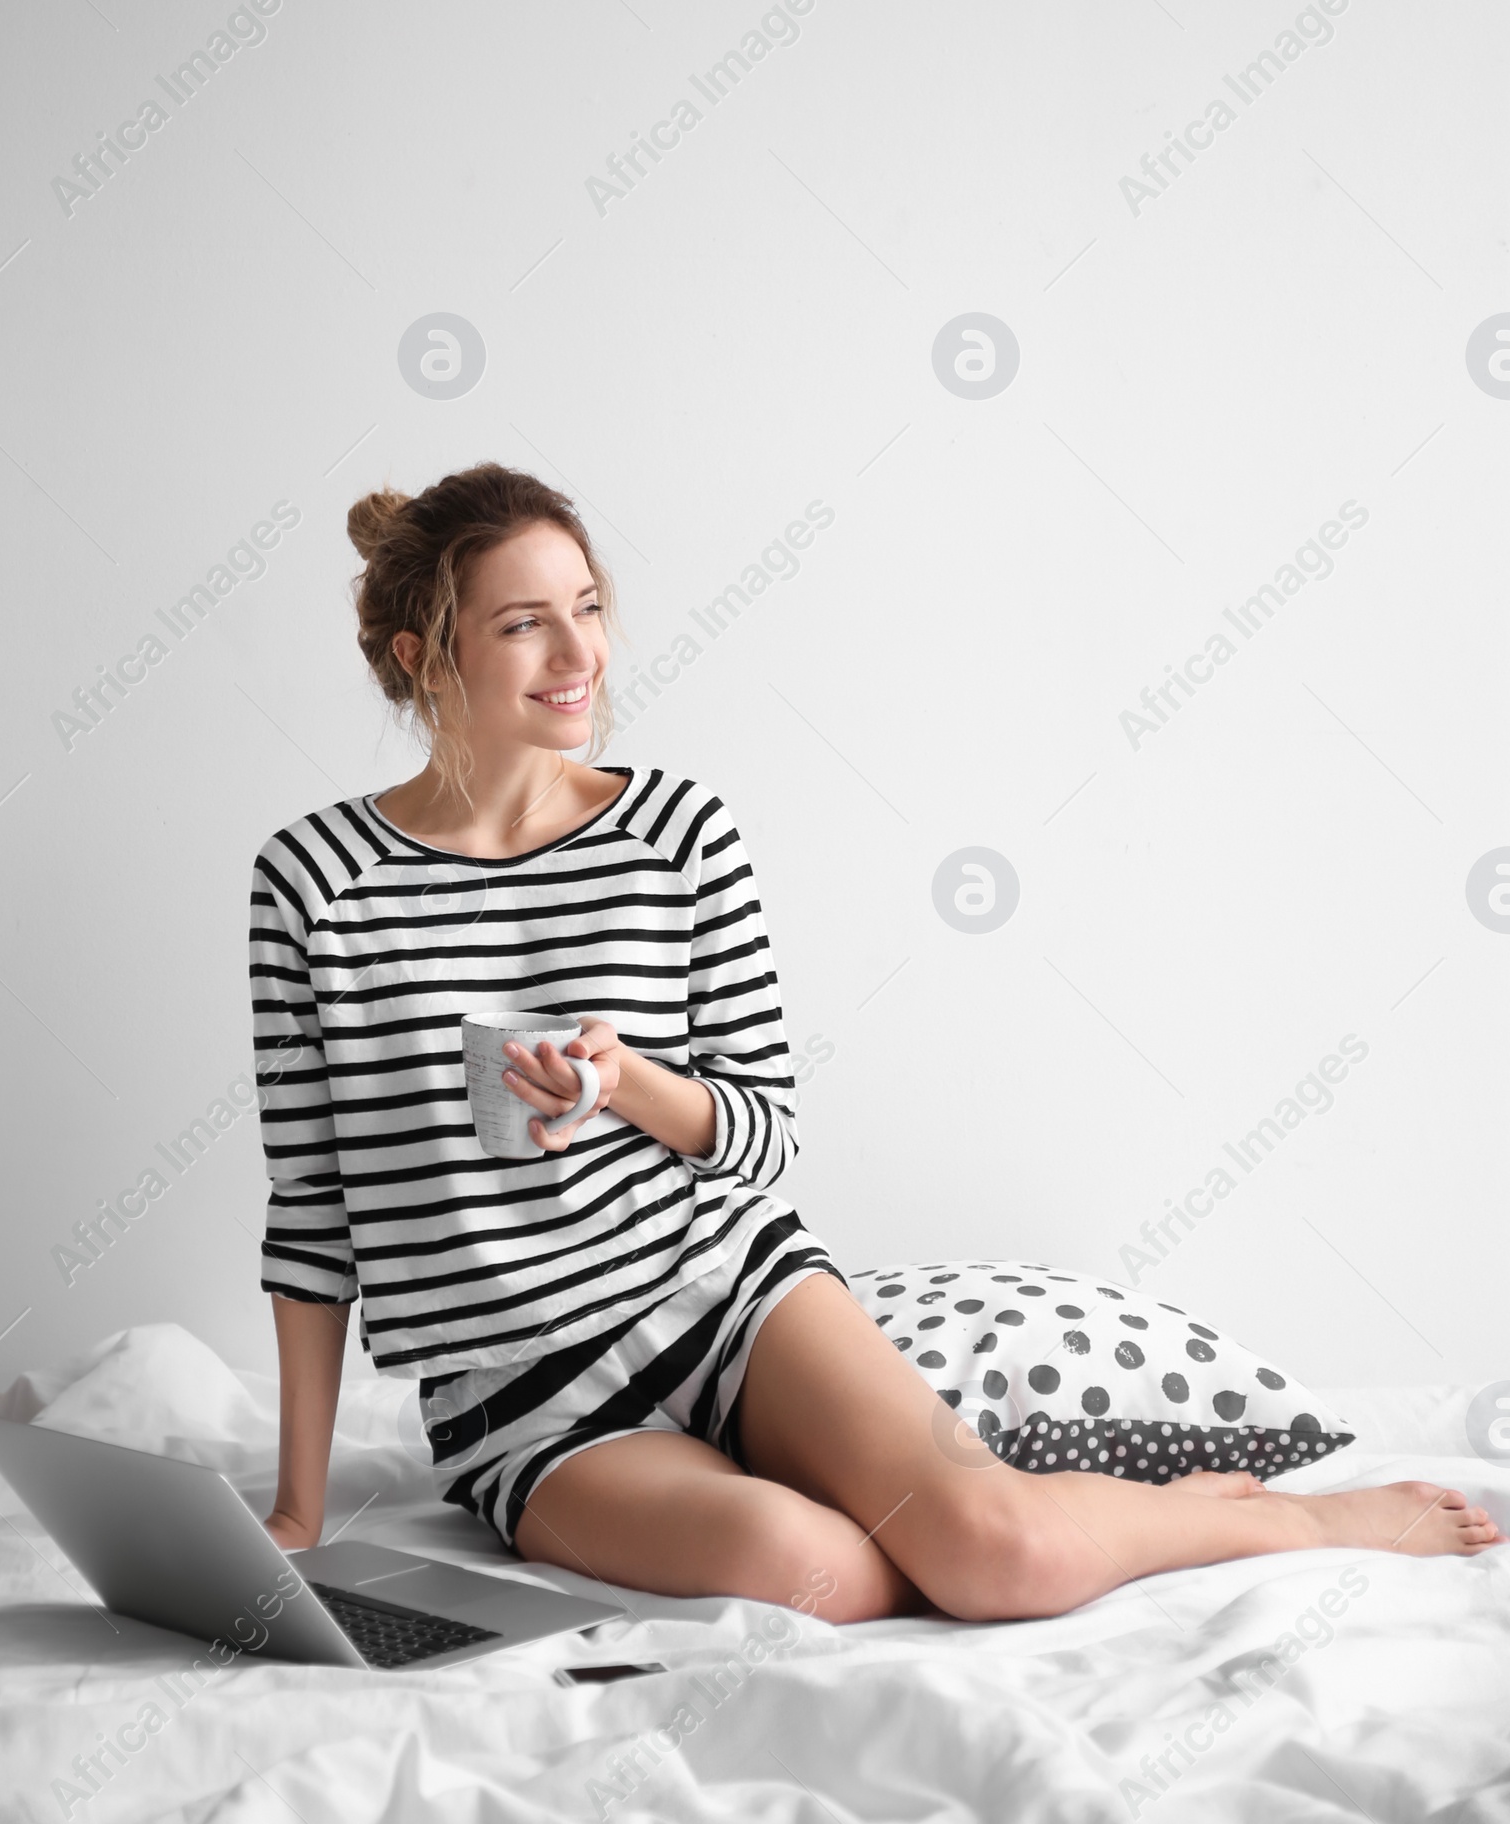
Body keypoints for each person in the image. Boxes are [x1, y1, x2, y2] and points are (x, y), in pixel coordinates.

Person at [250, 462, 1501, 1624]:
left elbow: (765, 1132)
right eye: (525, 623)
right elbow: (312, 1215)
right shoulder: (310, 882)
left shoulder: (678, 833)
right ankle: (1137, 1518)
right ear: (425, 656)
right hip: (521, 1398)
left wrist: (626, 1083)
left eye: (587, 605)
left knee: (995, 1553)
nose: (582, 653)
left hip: (719, 1291)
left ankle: (1274, 1521)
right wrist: (298, 1511)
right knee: (818, 1578)